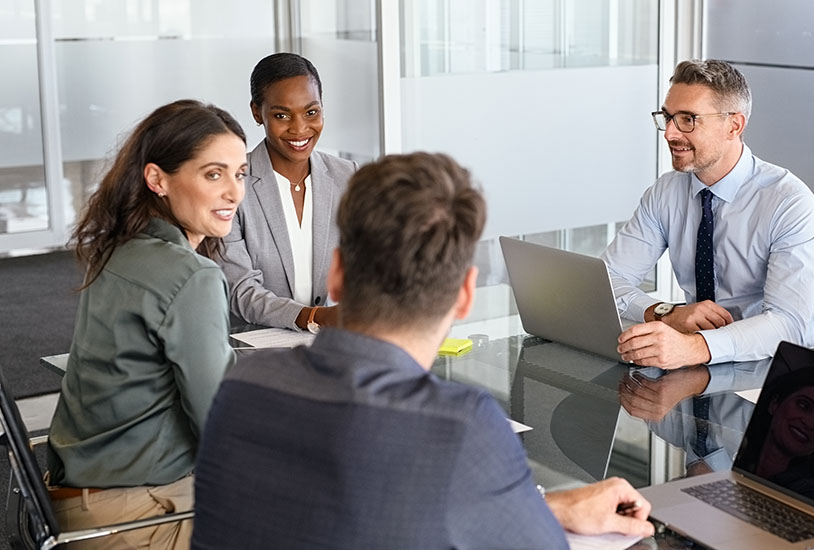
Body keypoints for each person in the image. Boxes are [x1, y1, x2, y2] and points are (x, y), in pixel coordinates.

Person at [192, 152, 654, 549]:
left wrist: (539, 505)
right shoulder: (459, 426)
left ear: (336, 274)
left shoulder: (242, 385)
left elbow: (351, 510)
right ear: (465, 295)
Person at [47, 100, 246, 549]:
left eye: (240, 173)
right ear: (158, 179)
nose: (234, 193)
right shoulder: (192, 276)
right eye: (213, 174)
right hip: (133, 517)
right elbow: (219, 426)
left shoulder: (119, 248)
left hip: (75, 501)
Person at [605, 59, 814, 372]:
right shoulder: (667, 192)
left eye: (688, 120)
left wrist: (696, 346)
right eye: (668, 117)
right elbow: (609, 280)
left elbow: (790, 324)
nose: (670, 133)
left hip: (782, 372)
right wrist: (664, 312)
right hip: (701, 366)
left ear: (733, 125)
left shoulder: (788, 203)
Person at [217, 52, 357, 331]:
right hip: (257, 350)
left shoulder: (348, 176)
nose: (300, 128)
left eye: (311, 112)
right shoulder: (231, 186)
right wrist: (313, 317)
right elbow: (240, 291)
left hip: (335, 343)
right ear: (257, 112)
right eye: (282, 115)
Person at [738, 368, 814, 505]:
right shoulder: (738, 448)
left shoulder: (813, 494)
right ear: (774, 404)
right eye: (804, 406)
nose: (810, 424)